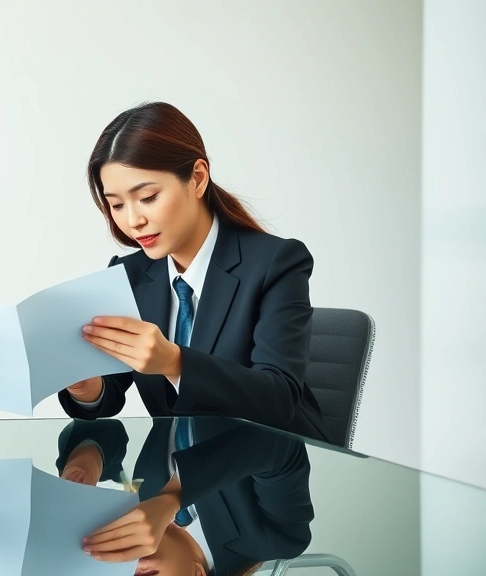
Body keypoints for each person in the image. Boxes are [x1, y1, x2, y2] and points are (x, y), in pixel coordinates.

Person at [58, 101, 327, 441]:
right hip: (176, 479)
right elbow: (110, 391)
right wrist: (85, 385)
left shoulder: (277, 262)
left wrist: (174, 362)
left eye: (148, 197)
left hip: (265, 473)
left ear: (198, 178)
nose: (132, 220)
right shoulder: (129, 274)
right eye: (116, 204)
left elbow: (279, 399)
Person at [56, 416, 315, 576]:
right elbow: (282, 444)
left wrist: (86, 459)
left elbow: (109, 425)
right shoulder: (276, 539)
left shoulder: (142, 503)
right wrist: (174, 496)